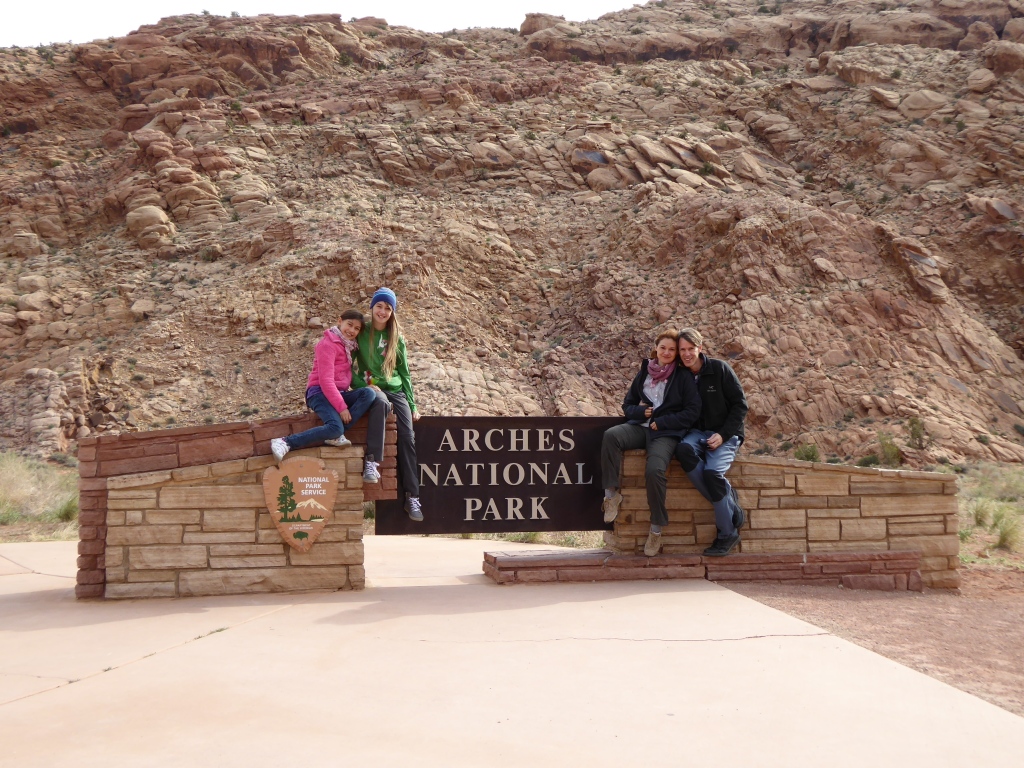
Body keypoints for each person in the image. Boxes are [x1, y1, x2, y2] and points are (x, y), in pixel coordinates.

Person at [601, 328, 701, 557]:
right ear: (656, 348)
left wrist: (663, 422)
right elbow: (627, 405)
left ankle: (656, 529)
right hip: (640, 428)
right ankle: (611, 495)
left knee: (654, 471)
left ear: (676, 354)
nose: (666, 352)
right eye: (663, 347)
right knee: (611, 436)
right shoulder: (645, 371)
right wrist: (641, 412)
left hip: (664, 433)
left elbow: (692, 411)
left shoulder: (683, 376)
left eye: (672, 349)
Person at [270, 310, 379, 469]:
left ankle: (336, 434)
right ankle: (285, 442)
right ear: (339, 320)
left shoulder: (348, 347)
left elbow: (362, 371)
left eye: (356, 329)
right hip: (319, 392)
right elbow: (326, 380)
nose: (352, 331)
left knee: (368, 393)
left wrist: (371, 383)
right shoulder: (327, 344)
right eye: (349, 325)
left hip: (338, 393)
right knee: (335, 427)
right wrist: (342, 408)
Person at [674, 328, 749, 557]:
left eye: (690, 349)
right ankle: (728, 499)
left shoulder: (719, 369)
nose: (686, 354)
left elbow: (740, 405)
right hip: (697, 433)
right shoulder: (681, 376)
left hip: (726, 434)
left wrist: (723, 435)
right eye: (682, 350)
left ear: (700, 348)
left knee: (712, 474)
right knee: (683, 450)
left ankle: (727, 533)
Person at [352, 287, 423, 522]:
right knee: (379, 405)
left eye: (388, 308)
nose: (383, 311)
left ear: (392, 312)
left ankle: (412, 497)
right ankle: (372, 462)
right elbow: (346, 364)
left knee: (407, 437)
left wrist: (412, 405)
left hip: (396, 390)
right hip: (373, 385)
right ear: (372, 307)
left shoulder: (396, 337)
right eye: (379, 306)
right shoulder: (362, 330)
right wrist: (363, 384)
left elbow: (405, 374)